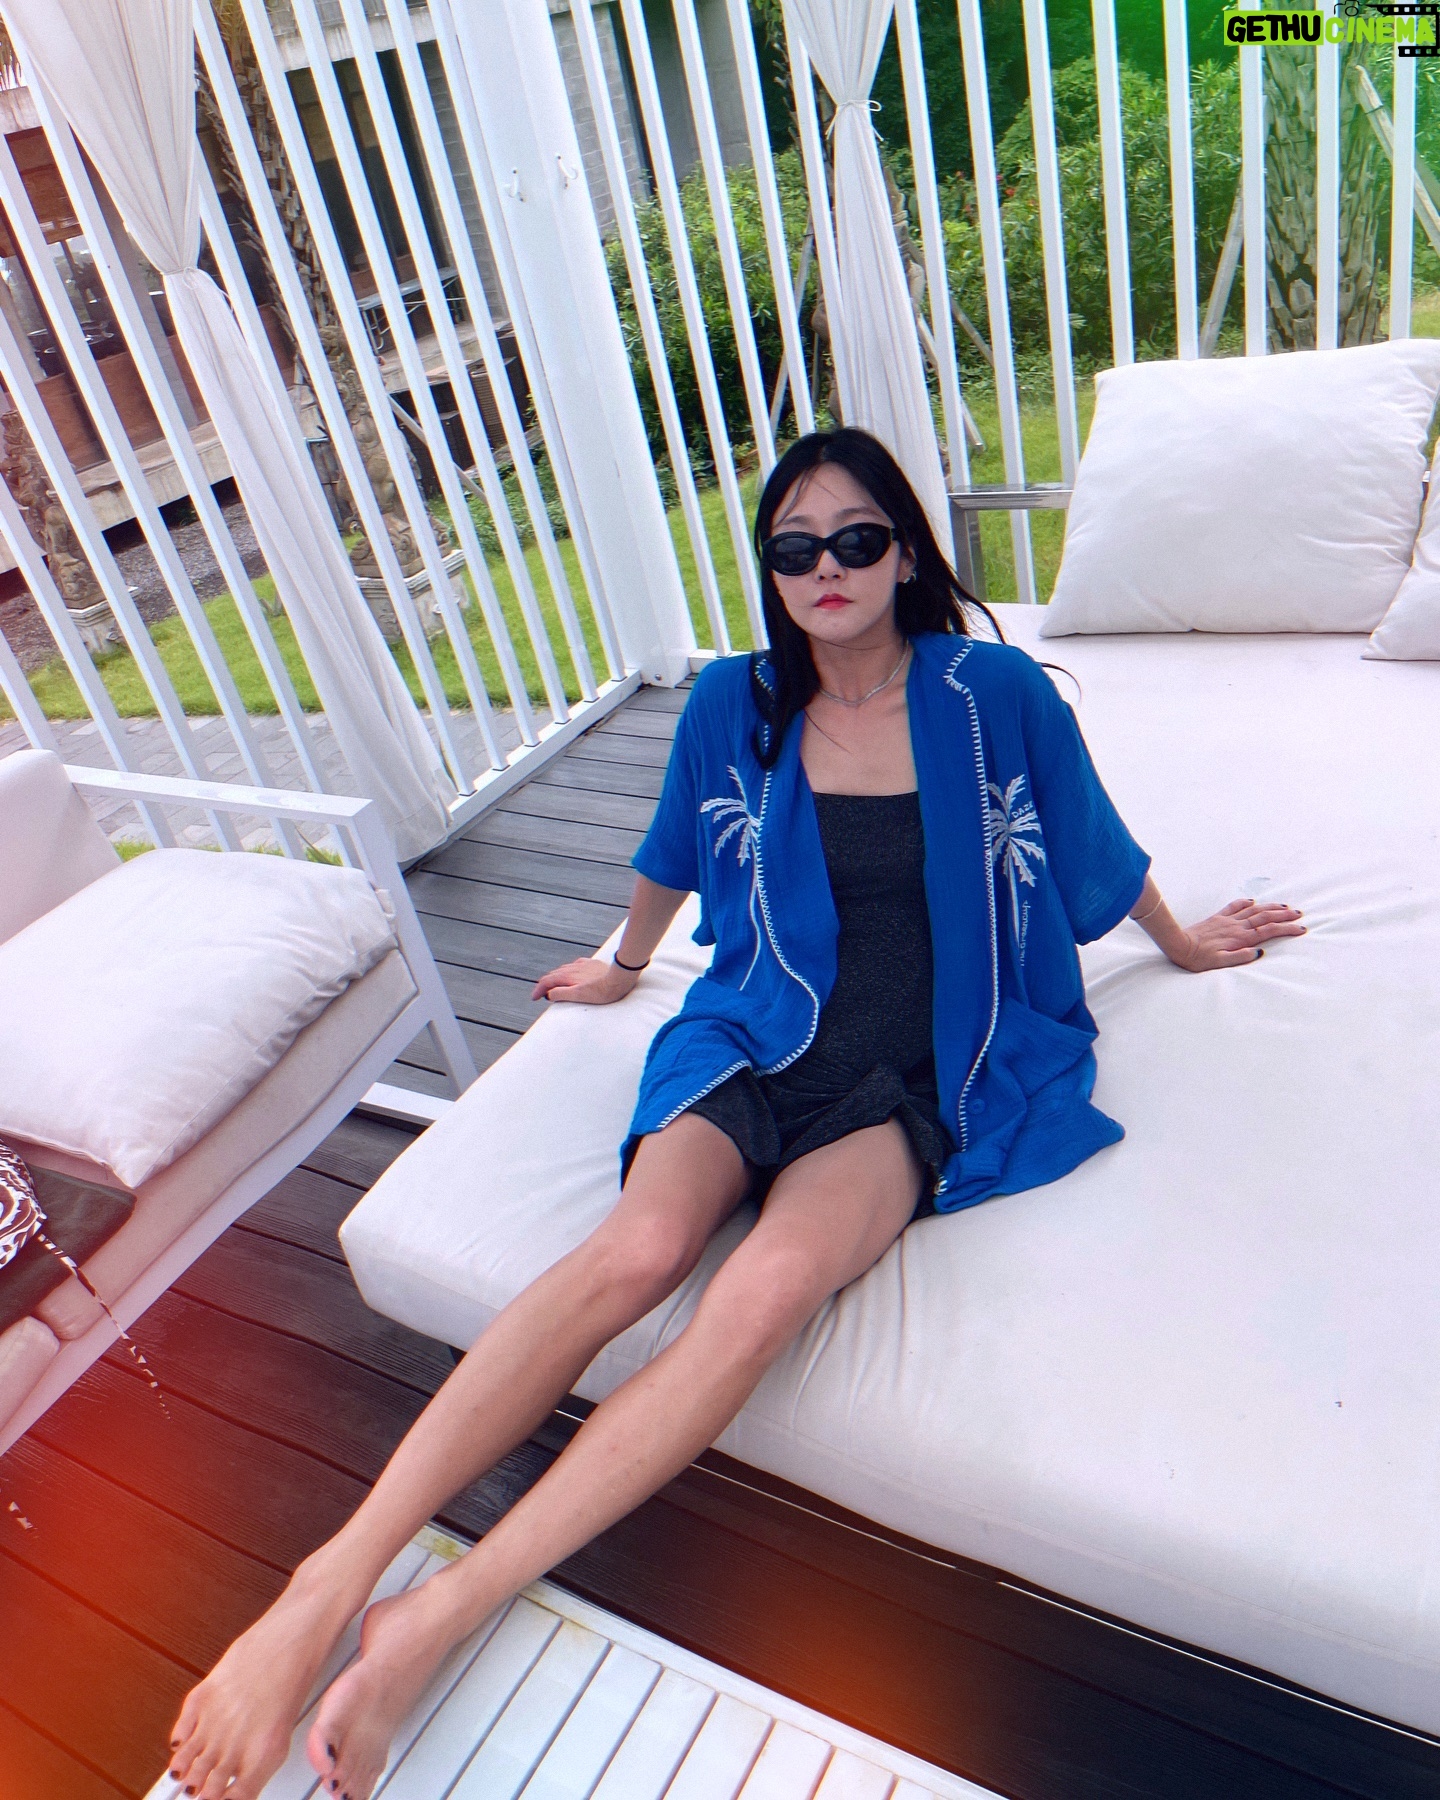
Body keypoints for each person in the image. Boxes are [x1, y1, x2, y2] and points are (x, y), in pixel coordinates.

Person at [165, 429, 1304, 1800]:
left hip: (917, 1067)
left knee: (760, 1297)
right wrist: (628, 963)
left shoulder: (991, 694)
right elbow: (675, 852)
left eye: (858, 539)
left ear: (906, 553)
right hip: (758, 1025)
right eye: (795, 547)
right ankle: (330, 1580)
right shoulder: (735, 702)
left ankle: (437, 1614)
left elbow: (1085, 839)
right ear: (770, 568)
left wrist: (1182, 943)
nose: (827, 568)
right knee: (636, 1252)